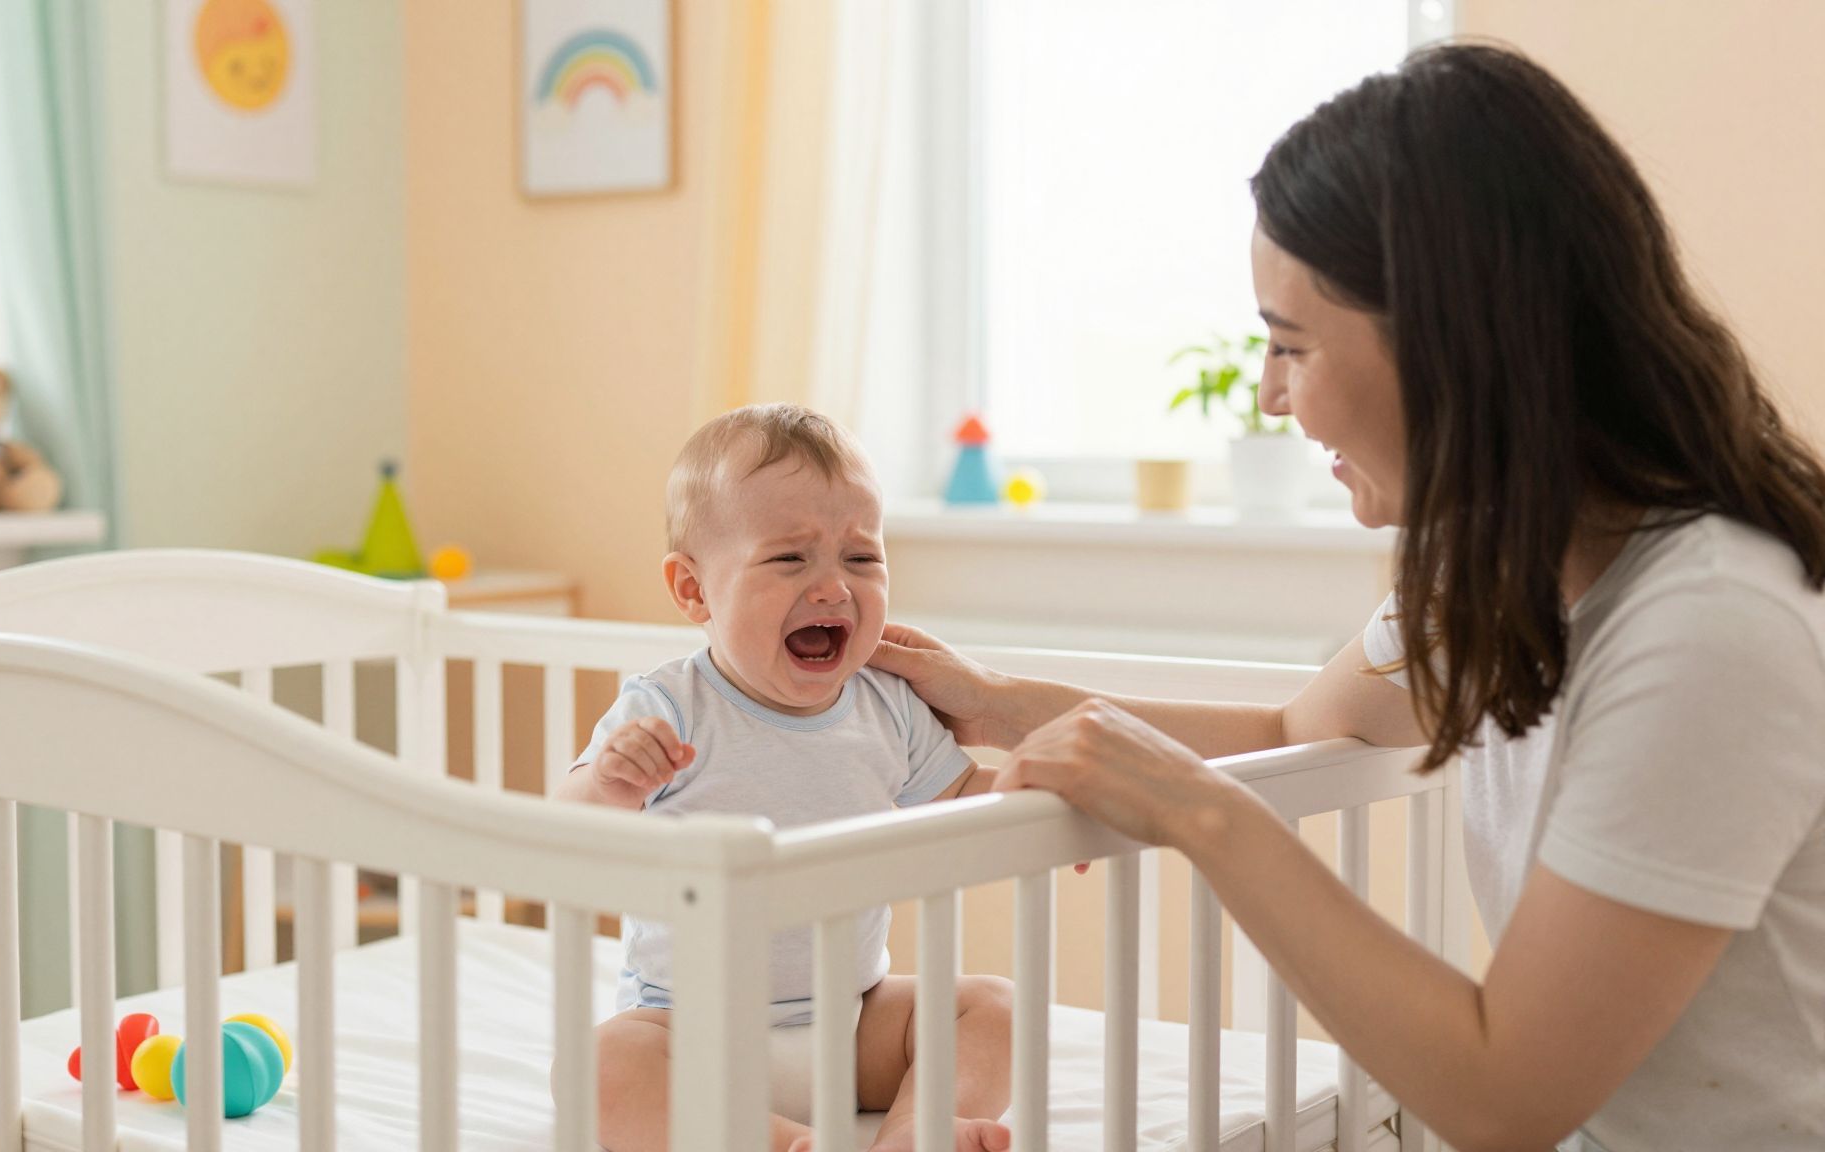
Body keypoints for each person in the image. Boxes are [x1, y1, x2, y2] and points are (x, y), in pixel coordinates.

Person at [870, 44, 1825, 1152]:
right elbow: (1292, 731)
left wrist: (1198, 815)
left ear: (1446, 341)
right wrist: (998, 705)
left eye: (1289, 345)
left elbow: (1503, 1097)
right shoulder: (1501, 577)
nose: (1271, 394)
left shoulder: (1709, 630)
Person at [555, 403, 1013, 1152]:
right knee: (603, 1065)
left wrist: (1038, 796)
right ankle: (765, 1140)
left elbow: (963, 800)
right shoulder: (669, 706)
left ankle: (913, 1131)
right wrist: (610, 784)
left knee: (994, 1007)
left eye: (861, 559)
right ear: (694, 591)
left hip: (852, 1021)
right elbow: (563, 823)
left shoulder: (887, 704)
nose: (834, 588)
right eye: (790, 559)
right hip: (688, 1030)